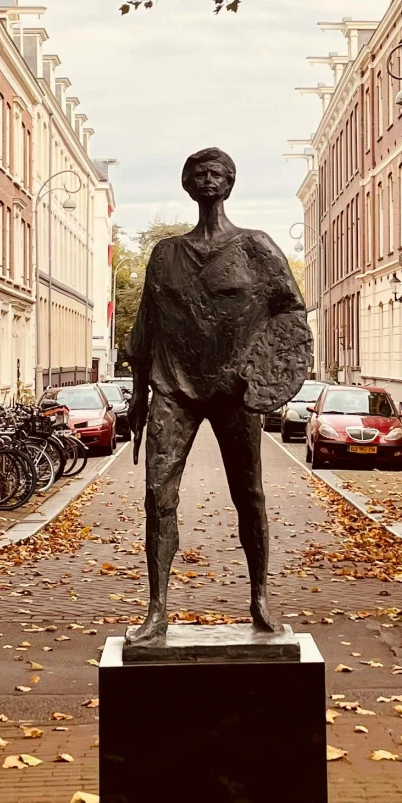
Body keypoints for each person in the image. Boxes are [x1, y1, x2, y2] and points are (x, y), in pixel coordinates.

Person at [125, 147, 311, 643]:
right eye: (198, 173)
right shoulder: (167, 254)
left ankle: (261, 598)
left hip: (235, 389)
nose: (208, 180)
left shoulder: (257, 247)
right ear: (188, 184)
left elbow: (291, 312)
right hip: (174, 386)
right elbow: (148, 325)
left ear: (230, 183)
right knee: (157, 495)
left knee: (248, 493)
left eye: (217, 173)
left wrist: (267, 374)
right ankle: (158, 607)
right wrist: (138, 393)